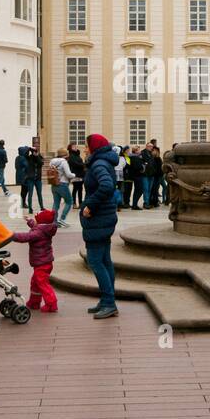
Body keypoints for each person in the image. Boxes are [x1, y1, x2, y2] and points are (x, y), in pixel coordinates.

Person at [81, 132, 120, 320]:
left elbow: (106, 186)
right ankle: (107, 300)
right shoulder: (103, 162)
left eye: (87, 145)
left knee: (95, 261)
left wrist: (90, 205)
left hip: (99, 217)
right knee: (104, 259)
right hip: (105, 216)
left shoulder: (98, 164)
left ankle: (108, 302)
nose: (84, 148)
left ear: (94, 147)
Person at [11, 209, 59, 313]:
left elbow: (26, 237)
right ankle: (34, 302)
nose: (35, 221)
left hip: (42, 263)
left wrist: (12, 236)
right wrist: (29, 221)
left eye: (36, 220)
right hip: (44, 262)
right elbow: (36, 225)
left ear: (41, 222)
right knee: (36, 283)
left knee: (42, 283)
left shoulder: (38, 232)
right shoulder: (45, 228)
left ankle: (51, 304)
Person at [46, 148, 74, 227]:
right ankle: (62, 219)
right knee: (69, 201)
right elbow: (68, 174)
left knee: (56, 203)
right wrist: (74, 175)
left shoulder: (52, 161)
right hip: (63, 184)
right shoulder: (64, 162)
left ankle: (54, 221)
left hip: (54, 184)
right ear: (65, 155)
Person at [26, 137, 45, 212]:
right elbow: (24, 154)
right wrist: (29, 149)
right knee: (30, 193)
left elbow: (40, 163)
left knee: (39, 194)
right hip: (31, 178)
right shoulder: (29, 158)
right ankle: (30, 208)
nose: (35, 152)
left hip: (38, 179)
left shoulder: (39, 157)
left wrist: (37, 156)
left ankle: (42, 207)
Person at [67, 144, 86, 208]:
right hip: (75, 174)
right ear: (70, 148)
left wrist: (82, 164)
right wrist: (83, 165)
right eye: (73, 146)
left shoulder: (77, 155)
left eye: (75, 146)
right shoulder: (71, 156)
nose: (75, 147)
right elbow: (75, 164)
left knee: (80, 189)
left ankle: (80, 203)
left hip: (81, 174)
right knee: (75, 188)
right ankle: (74, 203)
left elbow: (80, 162)